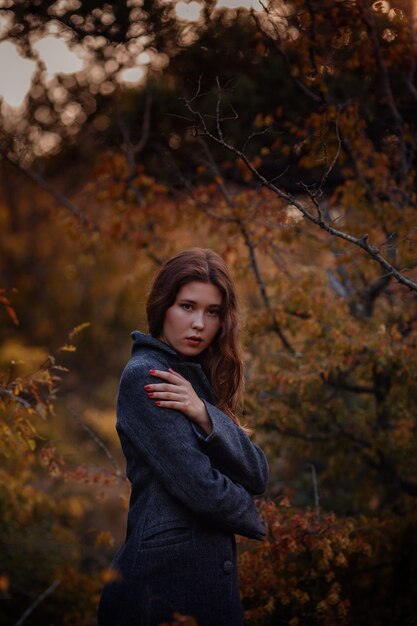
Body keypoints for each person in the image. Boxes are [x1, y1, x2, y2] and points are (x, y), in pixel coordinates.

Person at [97, 247, 268, 626]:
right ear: (162, 307)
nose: (199, 325)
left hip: (191, 588)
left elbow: (257, 473)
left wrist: (206, 415)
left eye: (212, 312)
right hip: (160, 591)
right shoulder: (147, 375)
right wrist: (253, 513)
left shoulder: (196, 382)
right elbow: (200, 488)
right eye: (187, 306)